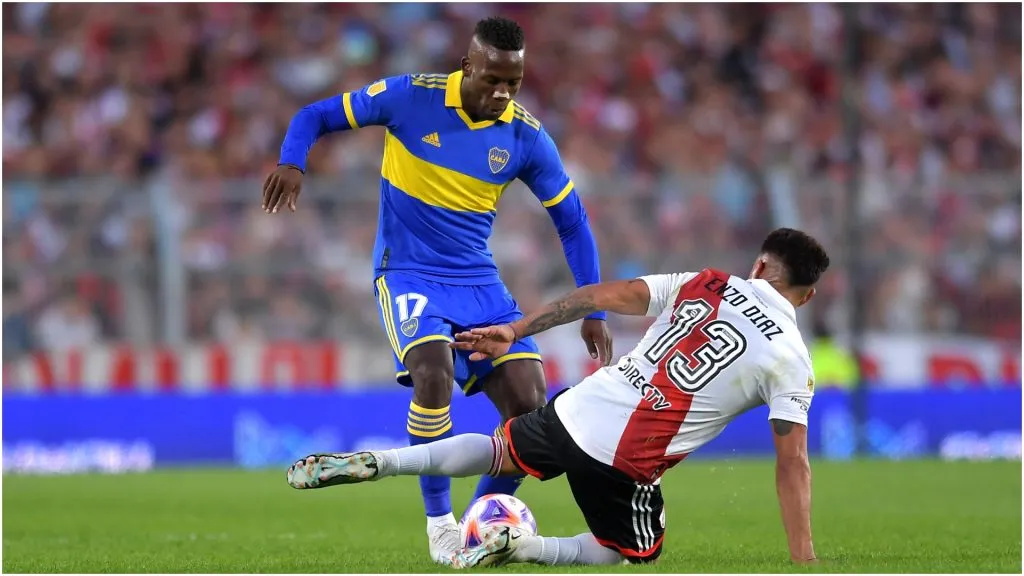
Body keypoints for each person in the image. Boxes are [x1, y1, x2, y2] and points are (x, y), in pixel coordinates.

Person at [262, 16, 612, 563]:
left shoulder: (526, 136)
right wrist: (292, 161)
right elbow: (316, 114)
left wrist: (593, 304)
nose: (501, 93)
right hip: (407, 271)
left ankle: (482, 527)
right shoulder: (409, 96)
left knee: (529, 404)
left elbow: (572, 220)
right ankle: (440, 525)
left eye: (512, 84)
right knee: (432, 374)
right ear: (467, 65)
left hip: (477, 280)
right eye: (492, 79)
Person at [286, 228, 830, 568]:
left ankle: (381, 461)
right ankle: (522, 547)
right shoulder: (791, 359)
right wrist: (803, 557)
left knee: (499, 450)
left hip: (578, 407)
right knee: (627, 552)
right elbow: (793, 462)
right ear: (806, 296)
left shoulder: (705, 282)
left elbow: (597, 297)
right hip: (625, 459)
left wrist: (516, 329)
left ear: (759, 266)